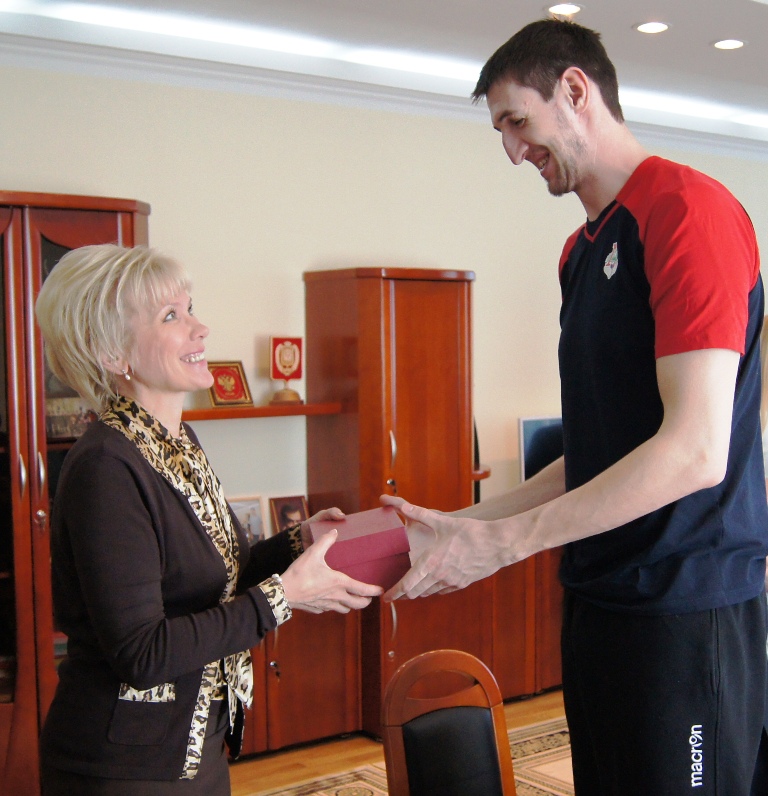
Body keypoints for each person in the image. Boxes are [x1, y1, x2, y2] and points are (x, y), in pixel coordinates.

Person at [382, 18, 768, 796]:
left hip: (684, 607)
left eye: (516, 121)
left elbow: (697, 450)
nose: (511, 150)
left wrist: (505, 545)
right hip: (599, 600)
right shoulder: (581, 250)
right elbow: (596, 453)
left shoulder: (688, 212)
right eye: (500, 131)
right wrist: (462, 525)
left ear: (575, 89)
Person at [35, 244, 382, 795]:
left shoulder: (176, 442)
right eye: (171, 315)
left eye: (190, 308)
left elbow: (217, 578)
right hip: (126, 768)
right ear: (111, 352)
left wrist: (300, 539)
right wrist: (284, 597)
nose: (200, 328)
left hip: (193, 749)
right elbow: (142, 652)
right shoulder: (107, 466)